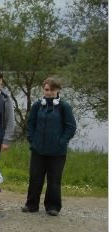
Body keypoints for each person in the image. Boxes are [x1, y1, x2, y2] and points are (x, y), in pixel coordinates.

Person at [23, 77, 76, 216]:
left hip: (57, 153)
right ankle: (31, 205)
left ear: (57, 90)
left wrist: (62, 141)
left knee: (54, 181)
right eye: (46, 89)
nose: (49, 92)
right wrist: (32, 140)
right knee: (35, 179)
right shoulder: (37, 106)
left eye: (52, 90)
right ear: (43, 89)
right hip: (38, 150)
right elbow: (30, 125)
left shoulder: (64, 107)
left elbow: (70, 127)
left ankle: (53, 206)